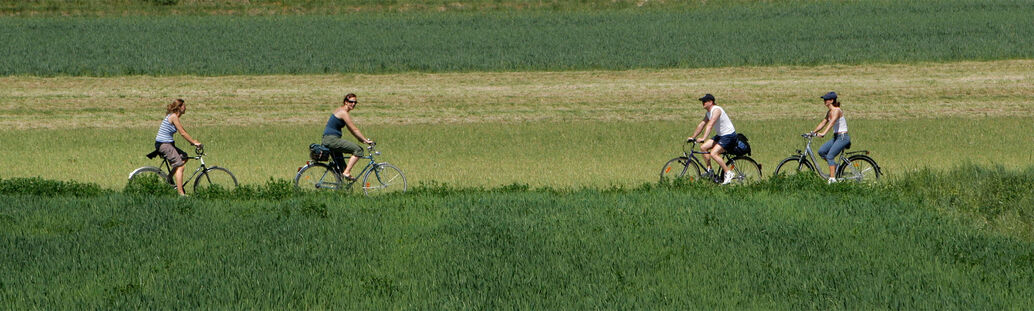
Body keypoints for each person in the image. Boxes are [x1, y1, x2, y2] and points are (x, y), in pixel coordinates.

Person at [687, 93, 738, 185]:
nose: (703, 103)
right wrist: (693, 137)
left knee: (713, 153)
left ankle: (728, 172)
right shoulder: (708, 113)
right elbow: (702, 124)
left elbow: (710, 125)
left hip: (729, 135)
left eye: (705, 101)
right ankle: (709, 171)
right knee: (703, 148)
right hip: (721, 135)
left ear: (711, 102)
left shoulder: (716, 110)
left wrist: (703, 138)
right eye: (702, 101)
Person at [154, 99, 201, 196]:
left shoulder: (174, 117)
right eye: (184, 106)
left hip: (167, 144)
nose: (185, 107)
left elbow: (183, 130)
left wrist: (193, 141)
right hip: (164, 144)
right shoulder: (174, 117)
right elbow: (182, 133)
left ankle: (169, 178)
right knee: (180, 166)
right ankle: (181, 193)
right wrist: (193, 142)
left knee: (184, 157)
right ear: (179, 107)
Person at [323, 93, 374, 181]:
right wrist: (365, 140)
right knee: (358, 150)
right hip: (331, 140)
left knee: (341, 167)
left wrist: (362, 140)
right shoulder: (343, 113)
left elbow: (351, 130)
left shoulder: (340, 110)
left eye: (355, 102)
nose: (353, 104)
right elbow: (354, 129)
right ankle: (347, 172)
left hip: (328, 139)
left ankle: (341, 185)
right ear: (346, 102)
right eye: (351, 102)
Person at [812, 91, 850, 184]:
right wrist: (812, 132)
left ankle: (832, 179)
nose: (824, 101)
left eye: (826, 99)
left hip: (843, 137)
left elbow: (832, 122)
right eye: (824, 99)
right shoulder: (829, 112)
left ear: (832, 100)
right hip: (836, 137)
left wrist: (823, 133)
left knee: (830, 156)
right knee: (822, 151)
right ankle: (835, 167)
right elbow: (823, 122)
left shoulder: (837, 110)